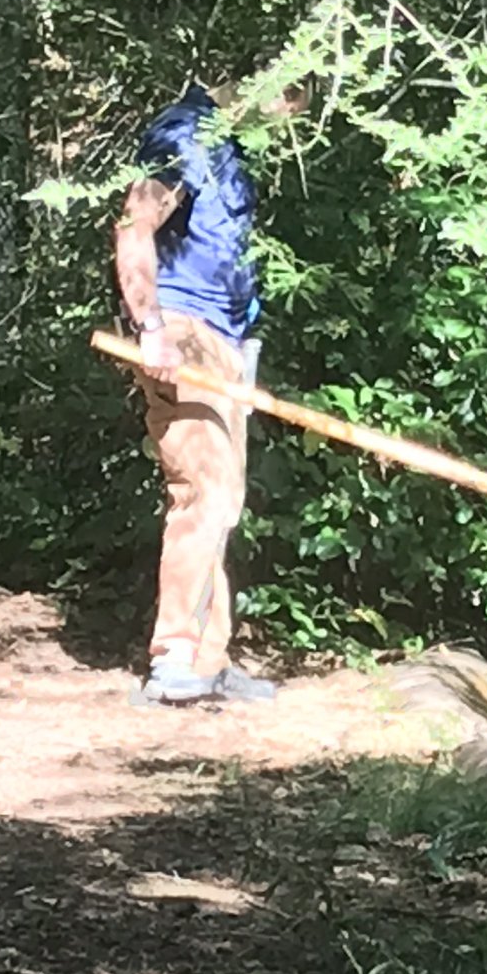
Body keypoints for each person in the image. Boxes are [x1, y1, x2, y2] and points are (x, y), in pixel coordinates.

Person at [112, 61, 310, 706]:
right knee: (202, 492)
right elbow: (135, 226)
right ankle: (174, 657)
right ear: (264, 85)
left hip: (224, 343)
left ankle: (208, 657)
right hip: (186, 332)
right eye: (290, 105)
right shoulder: (184, 138)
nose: (288, 123)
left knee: (223, 499)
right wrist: (152, 330)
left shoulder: (224, 146)